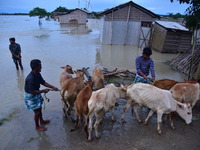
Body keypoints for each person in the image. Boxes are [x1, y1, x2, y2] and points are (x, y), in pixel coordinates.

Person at [24, 59, 59, 131]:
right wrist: (43, 91)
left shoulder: (37, 74)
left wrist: (53, 87)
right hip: (31, 96)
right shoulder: (31, 78)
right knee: (36, 112)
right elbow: (31, 92)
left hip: (37, 92)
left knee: (39, 108)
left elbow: (43, 82)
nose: (41, 67)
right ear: (35, 67)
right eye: (40, 66)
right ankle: (37, 126)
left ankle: (41, 120)